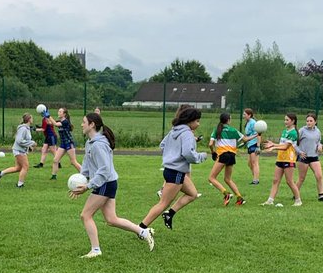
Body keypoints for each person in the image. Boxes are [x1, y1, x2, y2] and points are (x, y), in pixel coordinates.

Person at [70, 113, 155, 258]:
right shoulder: (90, 143)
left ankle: (95, 250)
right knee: (111, 219)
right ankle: (143, 231)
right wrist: (81, 182)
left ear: (92, 125)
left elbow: (104, 170)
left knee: (86, 215)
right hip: (107, 183)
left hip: (105, 183)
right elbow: (87, 165)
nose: (81, 124)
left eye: (84, 122)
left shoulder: (98, 145)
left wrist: (88, 186)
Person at [139, 106, 207, 232]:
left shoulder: (174, 131)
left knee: (192, 194)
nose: (198, 124)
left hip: (172, 170)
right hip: (176, 172)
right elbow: (188, 154)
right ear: (190, 121)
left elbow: (163, 145)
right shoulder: (187, 133)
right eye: (197, 121)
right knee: (163, 203)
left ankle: (169, 214)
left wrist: (171, 155)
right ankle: (141, 228)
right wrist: (202, 156)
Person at [262, 114, 302, 206]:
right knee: (275, 180)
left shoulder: (293, 133)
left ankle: (298, 200)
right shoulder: (285, 131)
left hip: (289, 160)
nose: (285, 122)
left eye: (287, 120)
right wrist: (273, 144)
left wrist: (273, 147)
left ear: (293, 121)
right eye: (285, 120)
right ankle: (270, 200)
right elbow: (281, 144)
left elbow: (285, 147)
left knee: (289, 181)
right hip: (280, 158)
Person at [207, 112, 244, 206]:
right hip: (232, 156)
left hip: (223, 155)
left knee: (211, 178)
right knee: (228, 179)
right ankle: (239, 197)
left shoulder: (217, 130)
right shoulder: (233, 130)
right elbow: (246, 139)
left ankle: (226, 194)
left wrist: (213, 152)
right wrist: (257, 135)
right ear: (228, 120)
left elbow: (210, 144)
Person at [0, 114, 34, 187]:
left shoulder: (27, 128)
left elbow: (24, 140)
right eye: (32, 118)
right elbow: (19, 141)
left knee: (18, 168)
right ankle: (20, 184)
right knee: (25, 167)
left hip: (20, 150)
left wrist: (29, 146)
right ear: (29, 119)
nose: (33, 119)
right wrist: (31, 143)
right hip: (19, 150)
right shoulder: (23, 128)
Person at [296, 112, 323, 202]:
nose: (308, 122)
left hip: (314, 157)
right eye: (307, 121)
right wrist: (300, 152)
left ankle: (321, 196)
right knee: (301, 178)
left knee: (319, 176)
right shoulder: (302, 131)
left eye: (311, 121)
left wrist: (320, 145)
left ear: (315, 122)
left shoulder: (317, 131)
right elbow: (294, 144)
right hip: (303, 157)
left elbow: (318, 141)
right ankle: (296, 193)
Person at [50, 107, 82, 179]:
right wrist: (45, 116)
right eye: (58, 111)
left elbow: (55, 124)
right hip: (63, 144)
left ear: (64, 114)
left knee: (73, 161)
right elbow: (52, 122)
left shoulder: (65, 122)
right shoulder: (60, 121)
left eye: (60, 112)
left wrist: (49, 116)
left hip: (69, 143)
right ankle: (53, 176)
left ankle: (85, 174)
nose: (58, 112)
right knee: (55, 160)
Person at [241, 107, 261, 186]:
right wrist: (244, 142)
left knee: (254, 163)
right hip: (250, 144)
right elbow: (248, 135)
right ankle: (255, 178)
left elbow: (259, 134)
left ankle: (255, 180)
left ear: (249, 115)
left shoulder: (253, 123)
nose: (243, 116)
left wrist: (258, 146)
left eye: (244, 114)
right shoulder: (248, 122)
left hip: (254, 144)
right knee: (249, 163)